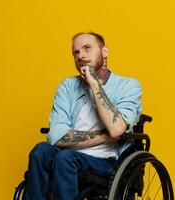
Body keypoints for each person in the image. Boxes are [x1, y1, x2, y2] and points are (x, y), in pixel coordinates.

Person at [25, 32, 142, 200]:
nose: (81, 55)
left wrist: (95, 84)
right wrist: (105, 136)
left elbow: (116, 129)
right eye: (76, 52)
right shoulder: (68, 87)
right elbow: (56, 137)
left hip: (105, 161)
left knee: (66, 158)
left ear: (104, 52)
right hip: (66, 156)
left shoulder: (128, 86)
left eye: (87, 48)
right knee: (40, 151)